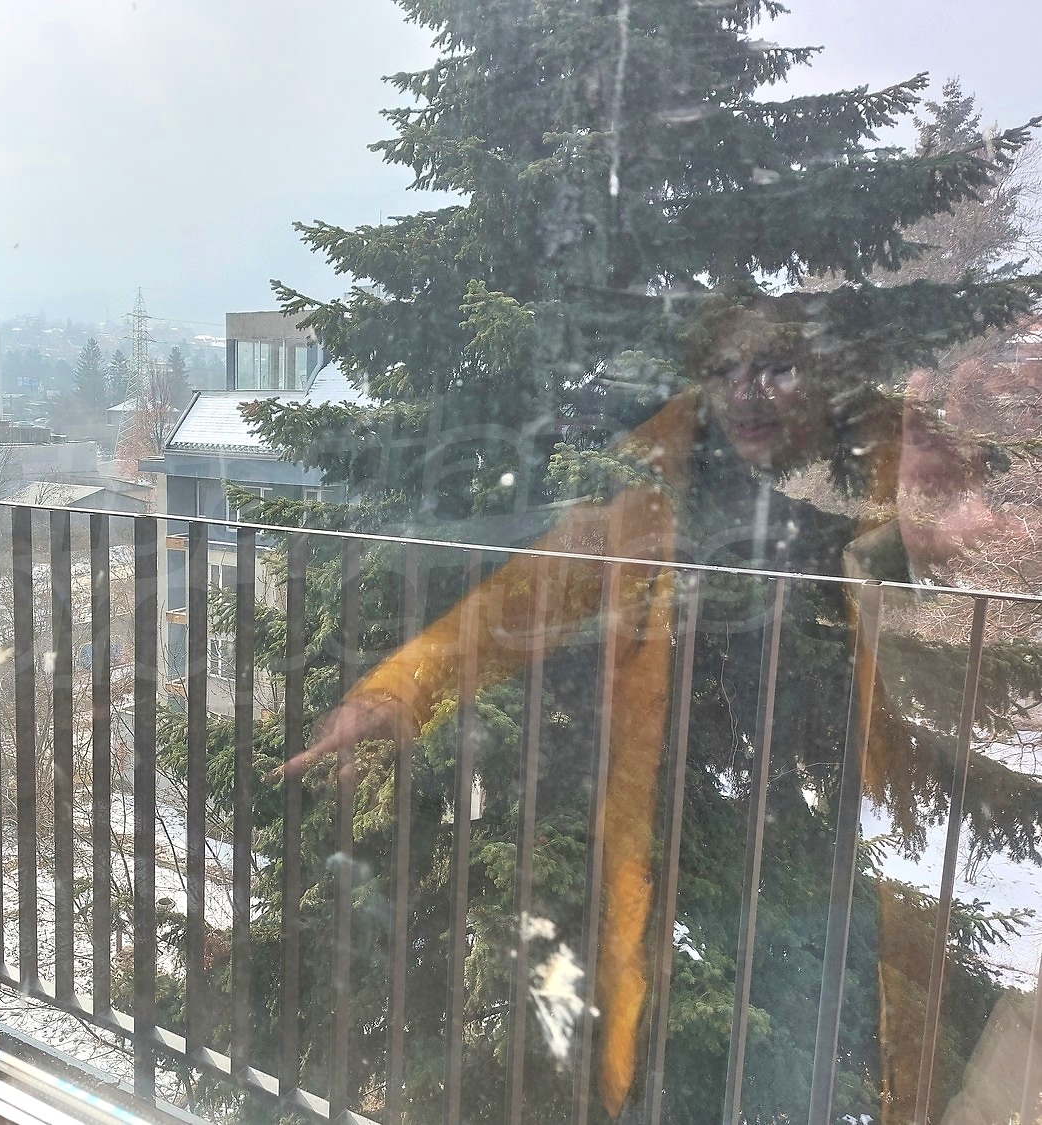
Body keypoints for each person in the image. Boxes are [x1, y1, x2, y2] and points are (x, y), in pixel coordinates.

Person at [284, 288, 1006, 1120]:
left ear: (818, 371)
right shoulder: (653, 470)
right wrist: (398, 694)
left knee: (813, 1064)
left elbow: (964, 625)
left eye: (775, 366)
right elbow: (528, 593)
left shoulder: (894, 459)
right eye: (724, 369)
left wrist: (923, 529)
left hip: (831, 839)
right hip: (685, 844)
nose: (747, 393)